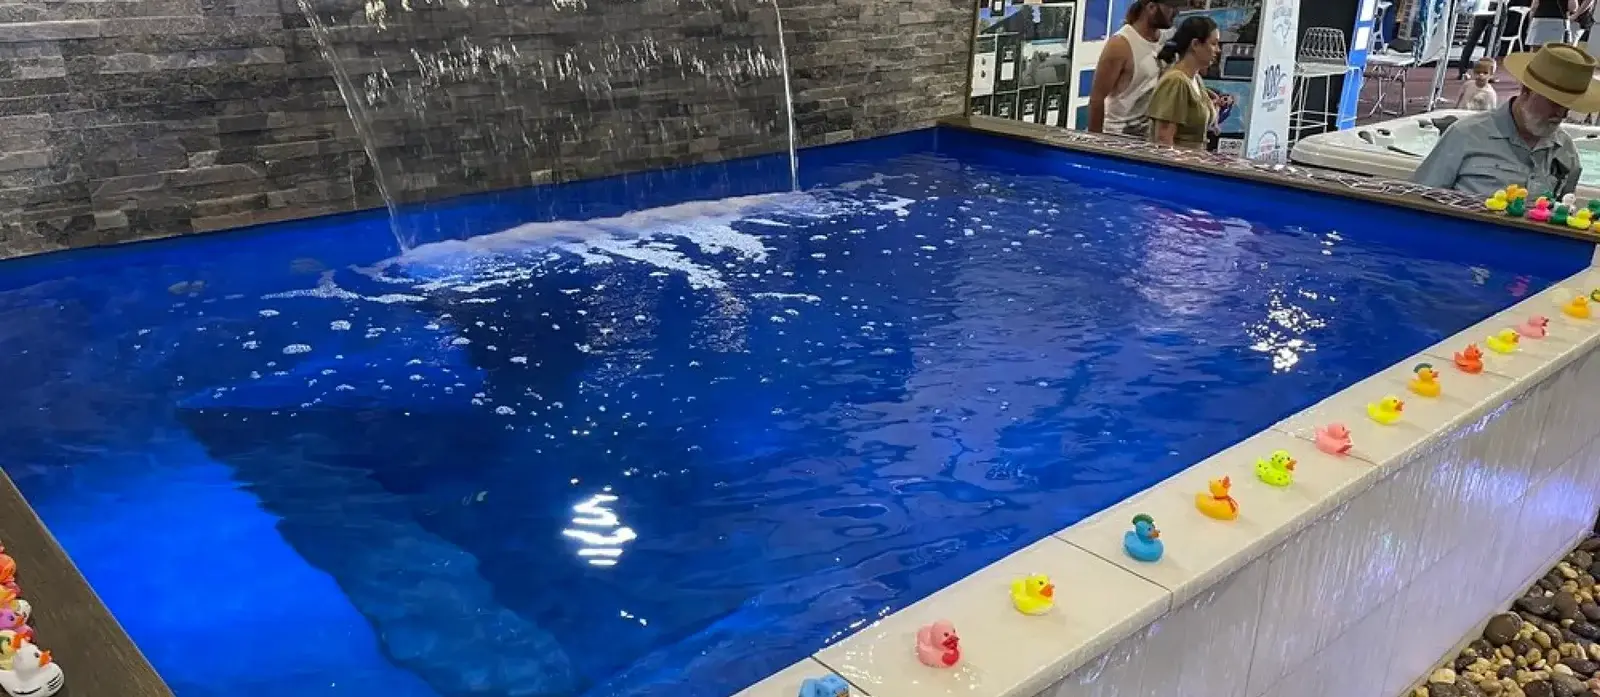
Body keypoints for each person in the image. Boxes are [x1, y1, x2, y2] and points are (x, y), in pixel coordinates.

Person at [1412, 43, 1600, 197]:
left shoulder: (1566, 151)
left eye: (1568, 106)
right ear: (1526, 91)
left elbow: (1563, 210)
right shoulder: (1465, 134)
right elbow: (1419, 198)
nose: (1562, 114)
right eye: (1555, 103)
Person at [1087, 0, 1178, 137]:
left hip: (1149, 138)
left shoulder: (1168, 38)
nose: (1176, 12)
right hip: (1118, 137)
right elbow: (1097, 99)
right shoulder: (1120, 44)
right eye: (1171, 7)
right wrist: (1095, 142)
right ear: (1151, 7)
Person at [1147, 15, 1220, 150]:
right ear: (1195, 44)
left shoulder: (1196, 79)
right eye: (1213, 44)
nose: (1218, 50)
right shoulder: (1175, 82)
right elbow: (1163, 140)